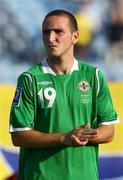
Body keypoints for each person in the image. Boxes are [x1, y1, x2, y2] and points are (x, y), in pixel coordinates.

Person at [9, 9, 119, 180]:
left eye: (58, 31)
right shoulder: (30, 79)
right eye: (46, 32)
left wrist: (84, 135)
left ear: (75, 36)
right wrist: (63, 137)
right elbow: (19, 135)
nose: (51, 38)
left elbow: (109, 130)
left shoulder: (94, 76)